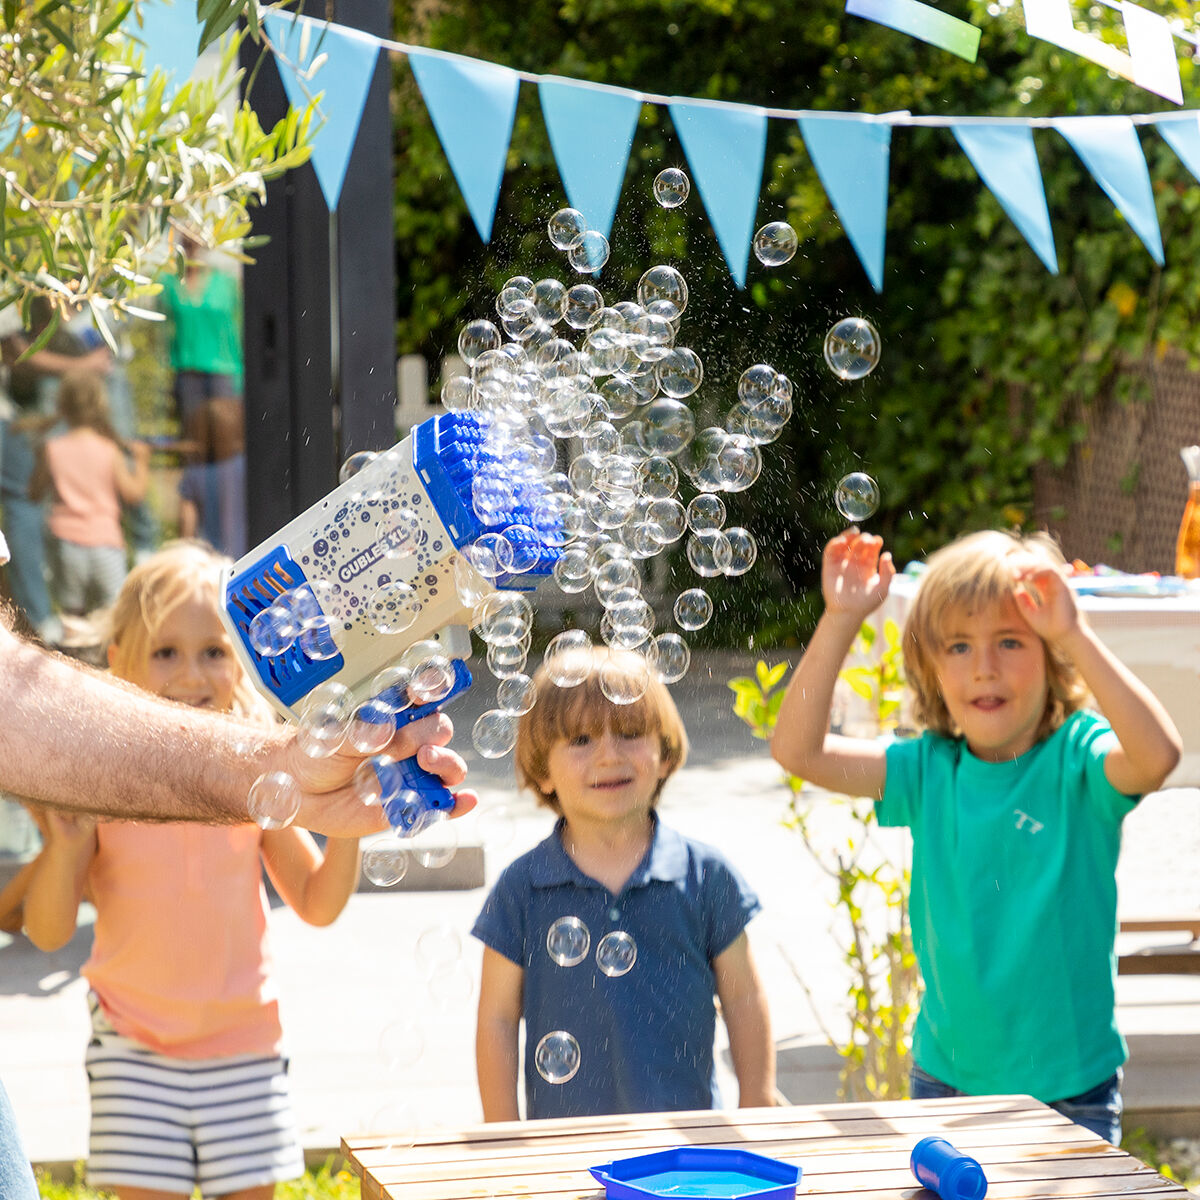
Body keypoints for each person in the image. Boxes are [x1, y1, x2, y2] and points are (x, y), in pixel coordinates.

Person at [0, 528, 475, 1200]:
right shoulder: (101, 801)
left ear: (247, 662)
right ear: (117, 663)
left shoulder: (254, 794)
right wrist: (69, 845)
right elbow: (48, 933)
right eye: (166, 652)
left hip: (244, 1052)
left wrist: (350, 819)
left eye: (215, 653)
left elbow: (316, 902)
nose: (192, 675)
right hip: (135, 1052)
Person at [770, 528, 1182, 1145]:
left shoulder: (1078, 761)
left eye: (1011, 641)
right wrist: (840, 618)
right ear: (931, 672)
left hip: (1070, 1094)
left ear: (1051, 657)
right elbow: (798, 751)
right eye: (958, 646)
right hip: (945, 1084)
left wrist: (1076, 631)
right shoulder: (927, 770)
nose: (984, 667)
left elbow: (1157, 756)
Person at [473, 647, 775, 1121]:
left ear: (664, 753)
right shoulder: (523, 888)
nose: (609, 754)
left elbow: (743, 997)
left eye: (631, 734)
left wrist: (757, 1101)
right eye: (580, 739)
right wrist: (504, 1132)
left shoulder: (705, 875)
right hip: (566, 1146)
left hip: (688, 1141)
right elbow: (497, 1018)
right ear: (543, 770)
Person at [0, 300, 111, 643]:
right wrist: (84, 364)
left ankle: (39, 620)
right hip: (101, 553)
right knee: (23, 506)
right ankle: (42, 621)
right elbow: (15, 349)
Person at [29, 369, 150, 616]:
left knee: (72, 617)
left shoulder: (52, 448)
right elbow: (133, 494)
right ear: (101, 405)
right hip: (105, 543)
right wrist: (142, 462)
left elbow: (35, 492)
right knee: (111, 617)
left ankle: (69, 655)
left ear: (61, 404)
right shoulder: (109, 449)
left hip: (66, 545)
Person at [159, 235, 246, 557]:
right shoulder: (169, 283)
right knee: (196, 455)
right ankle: (197, 531)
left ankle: (233, 532)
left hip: (225, 372)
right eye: (185, 240)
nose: (191, 244)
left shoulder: (226, 283)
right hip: (187, 374)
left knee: (228, 453)